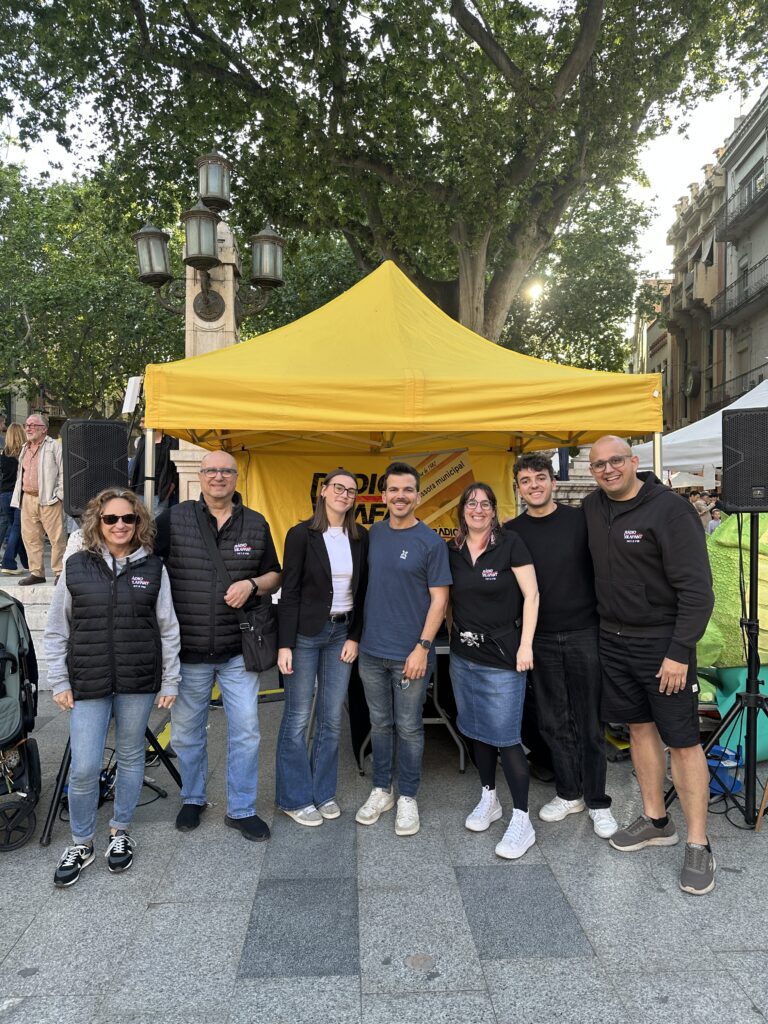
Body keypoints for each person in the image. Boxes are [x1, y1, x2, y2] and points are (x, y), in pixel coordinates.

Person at [584, 436, 715, 895]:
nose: (608, 469)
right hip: (613, 641)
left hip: (663, 646)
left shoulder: (670, 511)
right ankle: (657, 820)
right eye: (599, 464)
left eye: (616, 460)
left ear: (634, 461)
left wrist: (679, 651)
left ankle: (698, 843)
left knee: (683, 741)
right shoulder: (592, 508)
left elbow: (698, 591)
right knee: (639, 729)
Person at [44, 488, 180, 887]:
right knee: (85, 766)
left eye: (128, 518)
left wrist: (170, 678)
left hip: (137, 679)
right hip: (87, 680)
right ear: (97, 523)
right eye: (111, 519)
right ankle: (81, 841)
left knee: (131, 755)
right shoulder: (76, 566)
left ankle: (120, 830)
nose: (120, 525)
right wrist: (59, 680)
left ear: (139, 523)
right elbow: (56, 629)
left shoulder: (153, 568)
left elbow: (168, 628)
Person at [156, 450, 281, 841]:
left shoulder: (256, 524)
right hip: (188, 650)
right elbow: (146, 565)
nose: (218, 477)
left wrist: (252, 585)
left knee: (246, 732)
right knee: (185, 734)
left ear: (236, 478)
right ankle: (193, 798)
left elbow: (275, 575)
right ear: (200, 476)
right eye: (211, 470)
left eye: (226, 471)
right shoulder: (172, 520)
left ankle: (241, 808)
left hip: (237, 650)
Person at [506, 454, 617, 839]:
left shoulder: (580, 521)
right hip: (540, 638)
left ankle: (598, 800)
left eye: (540, 477)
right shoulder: (512, 532)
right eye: (525, 480)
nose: (533, 485)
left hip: (585, 632)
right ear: (518, 488)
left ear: (553, 481)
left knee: (589, 721)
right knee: (552, 721)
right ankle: (569, 792)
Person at [355, 461, 451, 837]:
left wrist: (423, 648)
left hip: (410, 655)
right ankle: (382, 790)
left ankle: (407, 795)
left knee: (409, 727)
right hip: (371, 652)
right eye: (393, 489)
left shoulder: (431, 542)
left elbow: (440, 601)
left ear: (418, 496)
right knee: (380, 724)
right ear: (383, 496)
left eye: (407, 490)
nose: (400, 496)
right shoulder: (373, 535)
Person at [448, 482, 540, 859]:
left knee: (506, 737)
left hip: (504, 657)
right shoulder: (452, 549)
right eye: (471, 503)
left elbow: (532, 595)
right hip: (463, 658)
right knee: (476, 731)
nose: (478, 509)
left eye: (485, 503)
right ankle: (490, 798)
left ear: (494, 510)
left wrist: (526, 645)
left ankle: (522, 819)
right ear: (462, 510)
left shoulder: (510, 543)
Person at [275, 468, 368, 825]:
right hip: (305, 635)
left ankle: (323, 793)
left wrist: (355, 636)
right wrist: (285, 645)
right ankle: (294, 798)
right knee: (298, 717)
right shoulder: (301, 535)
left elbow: (363, 591)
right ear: (324, 492)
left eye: (351, 491)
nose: (345, 494)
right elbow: (290, 592)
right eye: (338, 488)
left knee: (331, 720)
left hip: (341, 635)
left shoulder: (360, 537)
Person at [11, 414, 66, 586]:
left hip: (49, 499)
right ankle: (36, 573)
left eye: (33, 425)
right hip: (27, 498)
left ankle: (60, 572)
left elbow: (64, 472)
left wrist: (59, 495)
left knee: (57, 538)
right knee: (31, 538)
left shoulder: (54, 446)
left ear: (44, 429)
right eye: (27, 425)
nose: (28, 428)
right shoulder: (25, 447)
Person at [129, 418, 180, 511]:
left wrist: (167, 493)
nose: (140, 425)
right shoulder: (142, 441)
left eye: (143, 422)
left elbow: (175, 472)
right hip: (138, 494)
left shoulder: (172, 444)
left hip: (159, 497)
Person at [0, 423, 29, 576]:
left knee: (15, 529)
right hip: (18, 495)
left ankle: (26, 562)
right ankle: (8, 562)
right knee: (17, 528)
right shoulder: (24, 454)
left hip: (4, 495)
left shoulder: (3, 454)